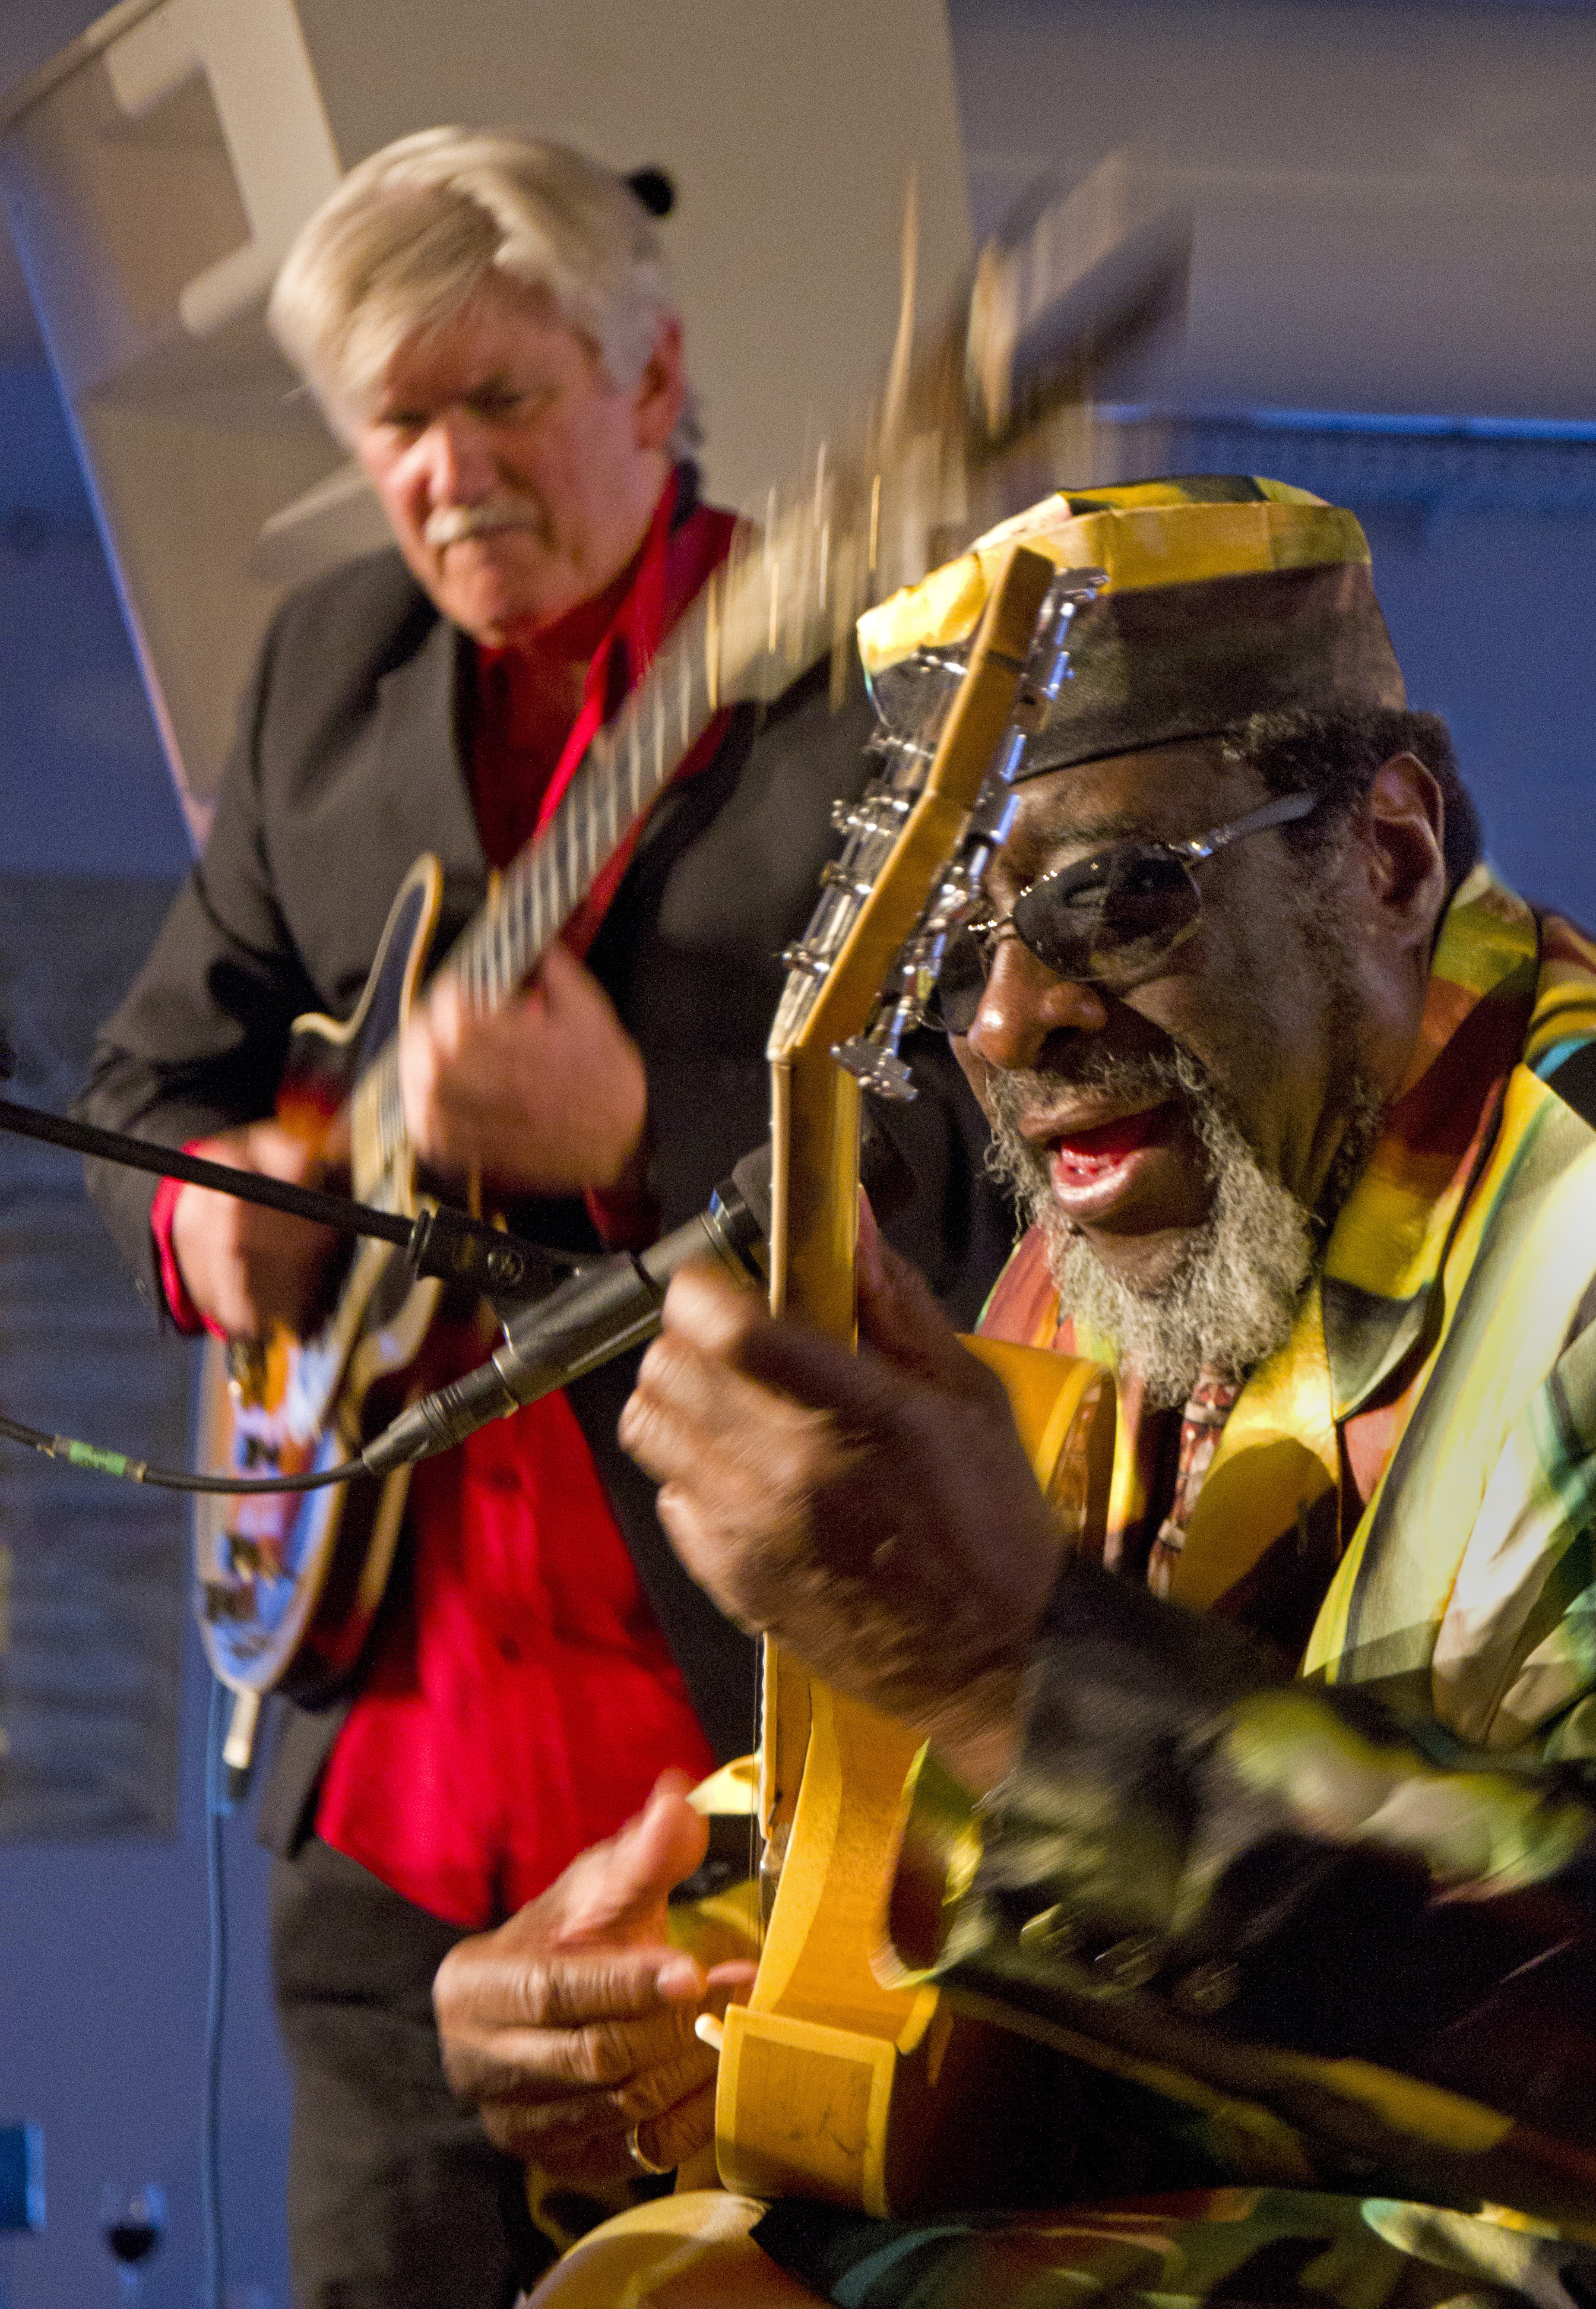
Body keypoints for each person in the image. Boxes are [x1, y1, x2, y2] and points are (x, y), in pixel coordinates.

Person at [436, 476, 1596, 2309]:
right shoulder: (1151, 1225)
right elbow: (981, 1798)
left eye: (1112, 896)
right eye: (959, 937)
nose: (1006, 1019)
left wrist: (1014, 1673)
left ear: (1388, 854)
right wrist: (672, 1957)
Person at [78, 128, 1006, 2309]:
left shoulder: (864, 679)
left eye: (501, 399)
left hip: (736, 1799)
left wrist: (657, 1129)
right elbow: (157, 1089)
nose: (446, 470)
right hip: (383, 1811)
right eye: (395, 423)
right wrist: (237, 1233)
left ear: (658, 379)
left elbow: (987, 1193)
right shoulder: (329, 675)